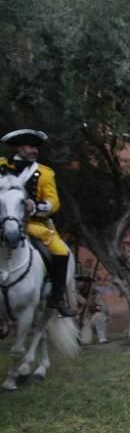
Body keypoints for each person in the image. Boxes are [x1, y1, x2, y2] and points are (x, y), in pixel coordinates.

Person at [0, 129, 75, 316]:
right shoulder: (1, 167)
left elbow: (54, 202)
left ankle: (57, 299)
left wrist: (35, 207)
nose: (34, 151)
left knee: (61, 251)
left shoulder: (44, 174)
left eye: (36, 147)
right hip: (3, 222)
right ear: (19, 147)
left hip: (34, 225)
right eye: (30, 146)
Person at [75, 277, 110, 344]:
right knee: (86, 342)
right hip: (80, 320)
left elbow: (104, 309)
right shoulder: (74, 294)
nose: (81, 283)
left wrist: (91, 304)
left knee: (101, 316)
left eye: (85, 281)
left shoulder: (96, 294)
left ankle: (102, 337)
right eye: (79, 281)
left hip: (92, 318)